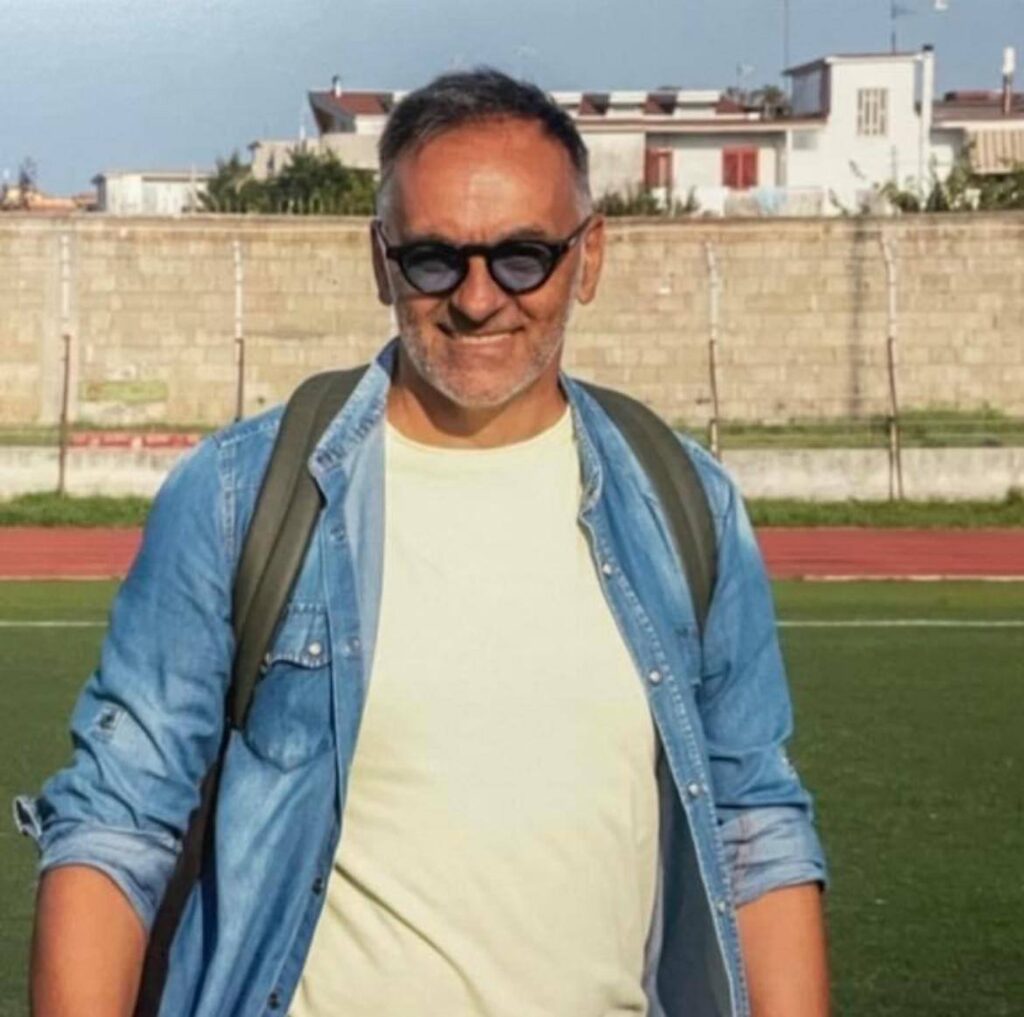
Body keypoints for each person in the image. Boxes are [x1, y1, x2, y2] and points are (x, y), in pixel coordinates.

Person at [18, 70, 828, 1017]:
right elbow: (117, 819)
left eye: (523, 256)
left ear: (590, 255)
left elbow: (752, 828)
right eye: (435, 259)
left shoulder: (685, 503)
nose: (478, 299)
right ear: (382, 260)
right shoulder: (241, 496)